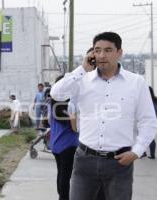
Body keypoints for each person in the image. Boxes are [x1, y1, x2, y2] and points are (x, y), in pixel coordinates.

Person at [50, 32, 157, 200]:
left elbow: (148, 121)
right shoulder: (82, 80)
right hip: (84, 161)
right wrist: (82, 69)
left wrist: (137, 151)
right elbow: (56, 94)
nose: (102, 55)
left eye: (108, 50)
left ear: (119, 53)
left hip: (119, 163)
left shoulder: (136, 83)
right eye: (97, 50)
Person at [49, 77, 79, 200]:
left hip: (56, 144)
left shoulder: (52, 103)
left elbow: (49, 122)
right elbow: (75, 127)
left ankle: (61, 196)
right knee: (66, 175)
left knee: (61, 173)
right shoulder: (66, 106)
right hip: (68, 144)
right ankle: (63, 197)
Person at [148, 86, 157, 159]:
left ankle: (151, 154)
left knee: (149, 138)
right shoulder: (155, 99)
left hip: (150, 122)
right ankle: (151, 154)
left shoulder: (147, 101)